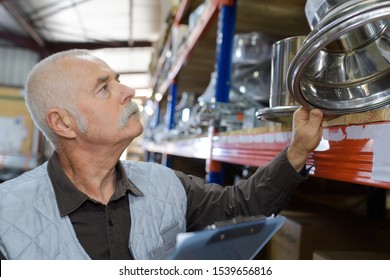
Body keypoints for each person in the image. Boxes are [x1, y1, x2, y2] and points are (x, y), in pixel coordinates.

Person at [0, 49, 323, 260]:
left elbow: (239, 206)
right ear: (63, 122)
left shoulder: (166, 185)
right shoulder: (7, 215)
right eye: (104, 88)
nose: (127, 92)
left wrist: (296, 151)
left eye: (119, 81)